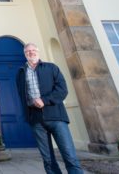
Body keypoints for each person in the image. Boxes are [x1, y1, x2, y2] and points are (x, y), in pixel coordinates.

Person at [16, 43, 83, 174]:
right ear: (25, 54)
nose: (31, 53)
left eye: (33, 50)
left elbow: (62, 90)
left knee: (69, 156)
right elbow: (22, 96)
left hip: (57, 117)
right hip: (36, 120)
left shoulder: (51, 68)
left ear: (38, 52)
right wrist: (29, 112)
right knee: (48, 160)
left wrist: (44, 100)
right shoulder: (21, 73)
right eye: (28, 51)